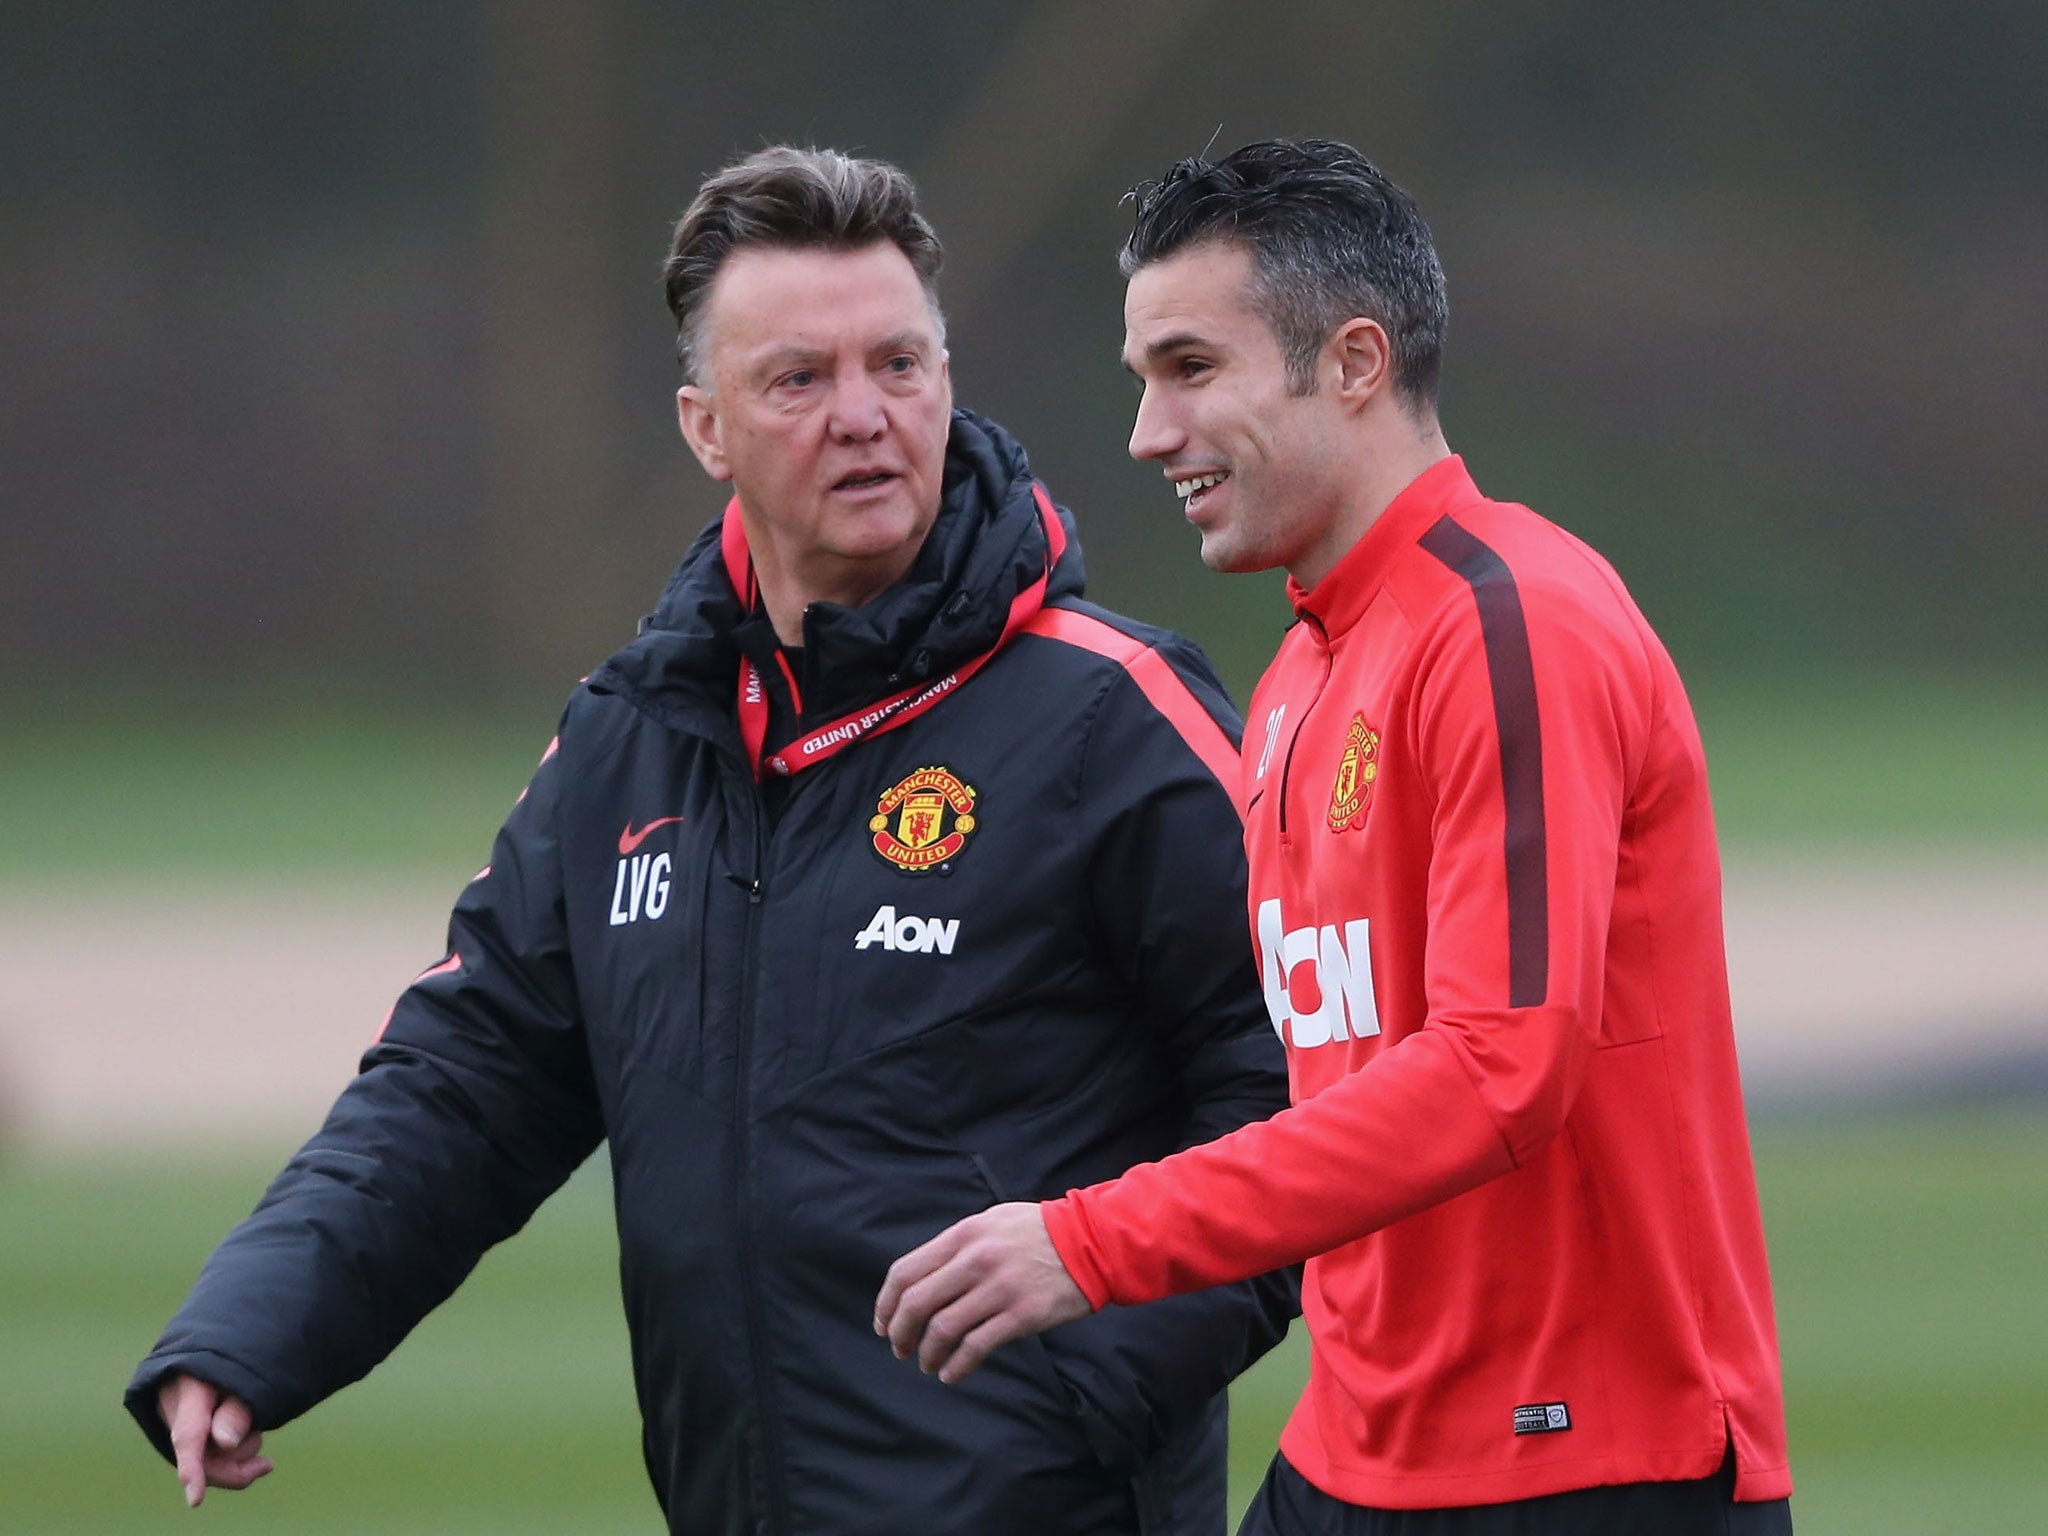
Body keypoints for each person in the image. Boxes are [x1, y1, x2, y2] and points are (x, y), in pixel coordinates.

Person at [126, 145, 1299, 1536]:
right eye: (799, 380)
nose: (865, 416)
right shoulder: (634, 736)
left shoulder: (1118, 717)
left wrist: (1084, 1390)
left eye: (901, 365)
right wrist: (253, 1326)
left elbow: (1296, 1096)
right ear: (706, 426)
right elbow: (469, 1075)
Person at [877, 139, 1794, 1535]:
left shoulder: (1509, 621)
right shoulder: (1304, 671)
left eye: (1191, 370)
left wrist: (1091, 1240)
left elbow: (1499, 1071)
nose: (1146, 432)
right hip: (1355, 1452)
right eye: (1142, 379)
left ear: (1354, 362)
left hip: (1579, 1469)